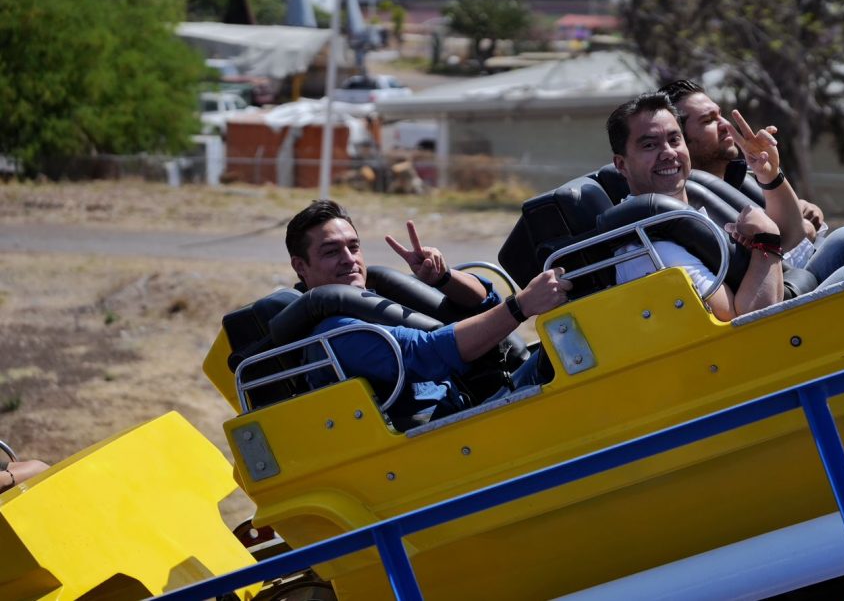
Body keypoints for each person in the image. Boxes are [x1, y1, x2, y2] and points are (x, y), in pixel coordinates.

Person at [286, 200, 570, 422]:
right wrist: (522, 305)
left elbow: (487, 306)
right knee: (577, 351)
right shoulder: (333, 332)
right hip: (454, 428)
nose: (349, 260)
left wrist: (443, 278)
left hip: (477, 401)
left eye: (353, 247)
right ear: (300, 266)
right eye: (331, 252)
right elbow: (429, 353)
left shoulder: (373, 298)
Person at [657, 79, 844, 280]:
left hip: (800, 271)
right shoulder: (691, 204)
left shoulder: (742, 179)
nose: (726, 126)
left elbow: (803, 232)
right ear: (681, 140)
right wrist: (804, 231)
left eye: (721, 115)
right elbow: (775, 257)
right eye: (708, 121)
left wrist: (797, 204)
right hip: (785, 294)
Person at [607, 93, 784, 321]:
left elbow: (797, 241)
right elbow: (743, 324)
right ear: (621, 164)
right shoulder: (651, 247)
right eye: (650, 145)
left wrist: (770, 176)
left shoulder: (696, 206)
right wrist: (766, 241)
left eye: (674, 140)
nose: (669, 153)